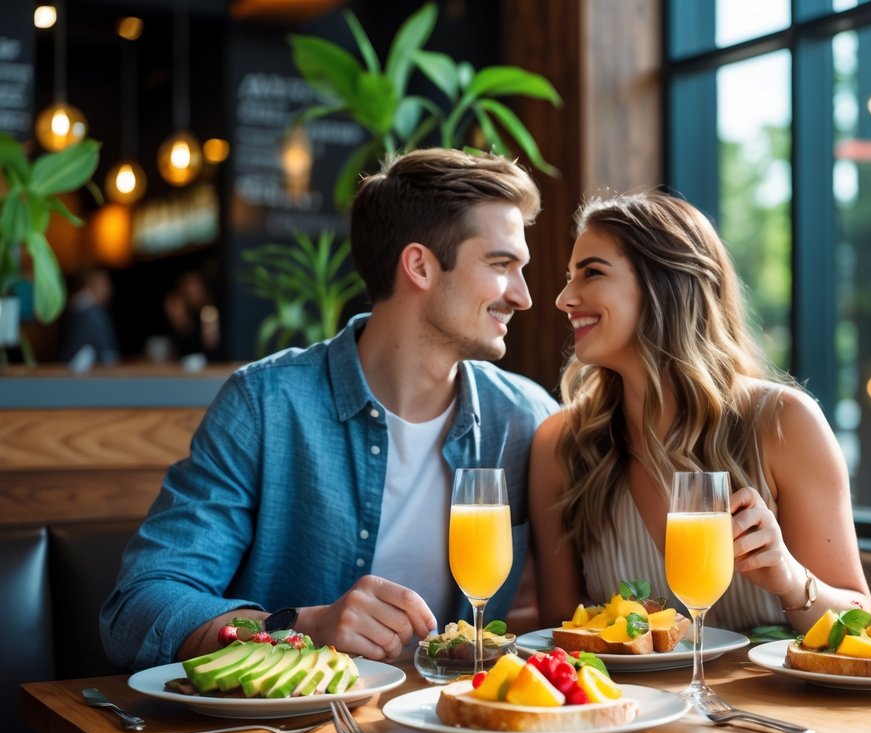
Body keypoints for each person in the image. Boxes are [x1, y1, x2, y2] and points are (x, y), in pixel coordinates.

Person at [529, 191, 871, 733]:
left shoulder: (781, 422)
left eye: (592, 273)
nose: (563, 299)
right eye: (568, 276)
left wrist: (785, 575)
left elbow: (863, 628)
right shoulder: (563, 445)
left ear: (665, 285)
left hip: (810, 718)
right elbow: (564, 639)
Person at [101, 148, 558, 671]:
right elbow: (138, 609)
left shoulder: (527, 421)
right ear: (420, 266)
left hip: (462, 729)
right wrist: (301, 628)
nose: (523, 296)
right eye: (501, 265)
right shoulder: (265, 407)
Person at [58, 267, 120, 367]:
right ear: (91, 284)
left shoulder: (75, 309)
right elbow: (106, 355)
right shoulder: (92, 315)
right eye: (104, 284)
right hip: (87, 377)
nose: (109, 289)